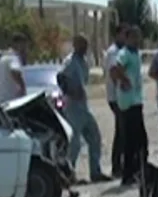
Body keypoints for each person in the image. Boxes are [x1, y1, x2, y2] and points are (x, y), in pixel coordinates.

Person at [56, 34, 107, 182]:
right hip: (72, 106)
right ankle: (67, 174)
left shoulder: (83, 61)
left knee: (94, 137)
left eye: (86, 45)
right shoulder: (70, 61)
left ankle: (95, 172)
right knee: (75, 143)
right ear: (75, 45)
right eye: (81, 45)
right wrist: (71, 92)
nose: (85, 48)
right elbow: (60, 78)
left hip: (83, 106)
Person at [109, 25, 148, 185]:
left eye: (139, 37)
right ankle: (128, 174)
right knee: (132, 140)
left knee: (140, 139)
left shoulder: (136, 54)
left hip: (136, 100)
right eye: (134, 37)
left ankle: (138, 170)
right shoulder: (124, 53)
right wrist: (123, 80)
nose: (137, 40)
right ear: (128, 38)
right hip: (128, 102)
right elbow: (114, 70)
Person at [103, 24, 127, 177]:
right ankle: (117, 166)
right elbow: (113, 72)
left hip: (122, 97)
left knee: (123, 131)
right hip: (116, 97)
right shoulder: (114, 52)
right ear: (117, 34)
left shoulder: (122, 51)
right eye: (124, 34)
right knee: (121, 132)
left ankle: (121, 164)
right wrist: (123, 84)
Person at [0, 33, 28, 102]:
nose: (24, 48)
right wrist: (23, 88)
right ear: (16, 44)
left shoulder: (4, 57)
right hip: (9, 100)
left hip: (0, 99)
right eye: (23, 44)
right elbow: (15, 71)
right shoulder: (13, 57)